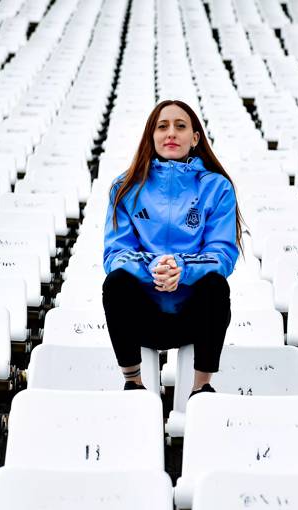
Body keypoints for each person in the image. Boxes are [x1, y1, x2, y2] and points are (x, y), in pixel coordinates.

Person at [102, 99, 243, 397]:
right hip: (143, 314)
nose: (171, 133)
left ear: (195, 138)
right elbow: (116, 254)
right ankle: (133, 383)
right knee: (116, 284)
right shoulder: (125, 187)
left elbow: (222, 253)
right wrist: (155, 269)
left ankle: (202, 388)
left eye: (181, 126)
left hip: (192, 316)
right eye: (162, 126)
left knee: (216, 287)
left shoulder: (217, 187)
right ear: (151, 136)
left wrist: (183, 269)